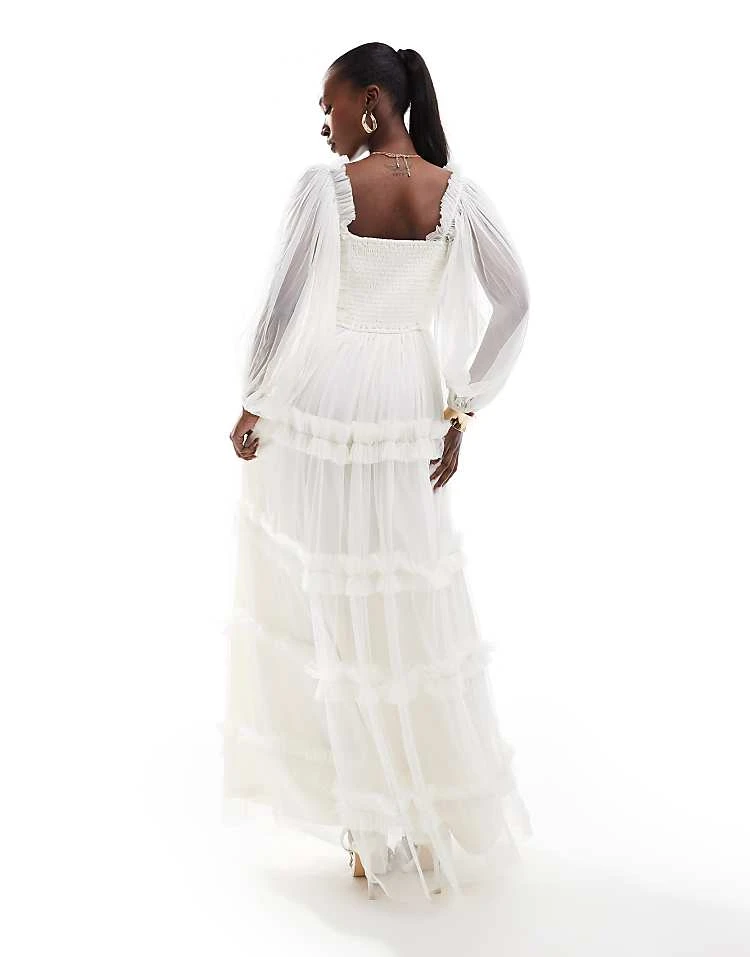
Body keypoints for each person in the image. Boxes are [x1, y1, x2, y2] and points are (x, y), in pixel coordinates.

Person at [222, 42, 532, 904]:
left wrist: (255, 398)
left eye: (327, 105)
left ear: (368, 101)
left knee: (337, 606)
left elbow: (284, 304)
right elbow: (516, 301)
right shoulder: (452, 193)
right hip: (408, 403)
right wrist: (462, 405)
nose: (321, 124)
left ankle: (366, 828)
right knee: (405, 604)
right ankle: (412, 811)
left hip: (332, 403)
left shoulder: (327, 190)